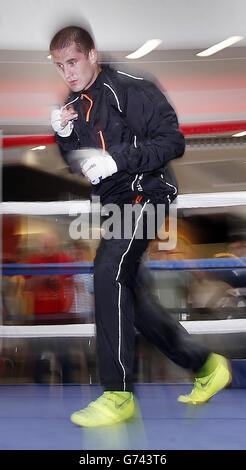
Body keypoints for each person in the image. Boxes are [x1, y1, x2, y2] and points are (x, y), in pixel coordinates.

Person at [49, 25, 231, 427]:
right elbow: (81, 164)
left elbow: (173, 141)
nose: (69, 74)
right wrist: (64, 136)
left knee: (107, 271)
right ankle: (206, 365)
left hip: (148, 193)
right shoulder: (74, 103)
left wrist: (117, 159)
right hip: (115, 203)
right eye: (61, 66)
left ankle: (117, 394)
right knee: (133, 300)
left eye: (74, 62)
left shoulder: (130, 88)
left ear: (92, 55)